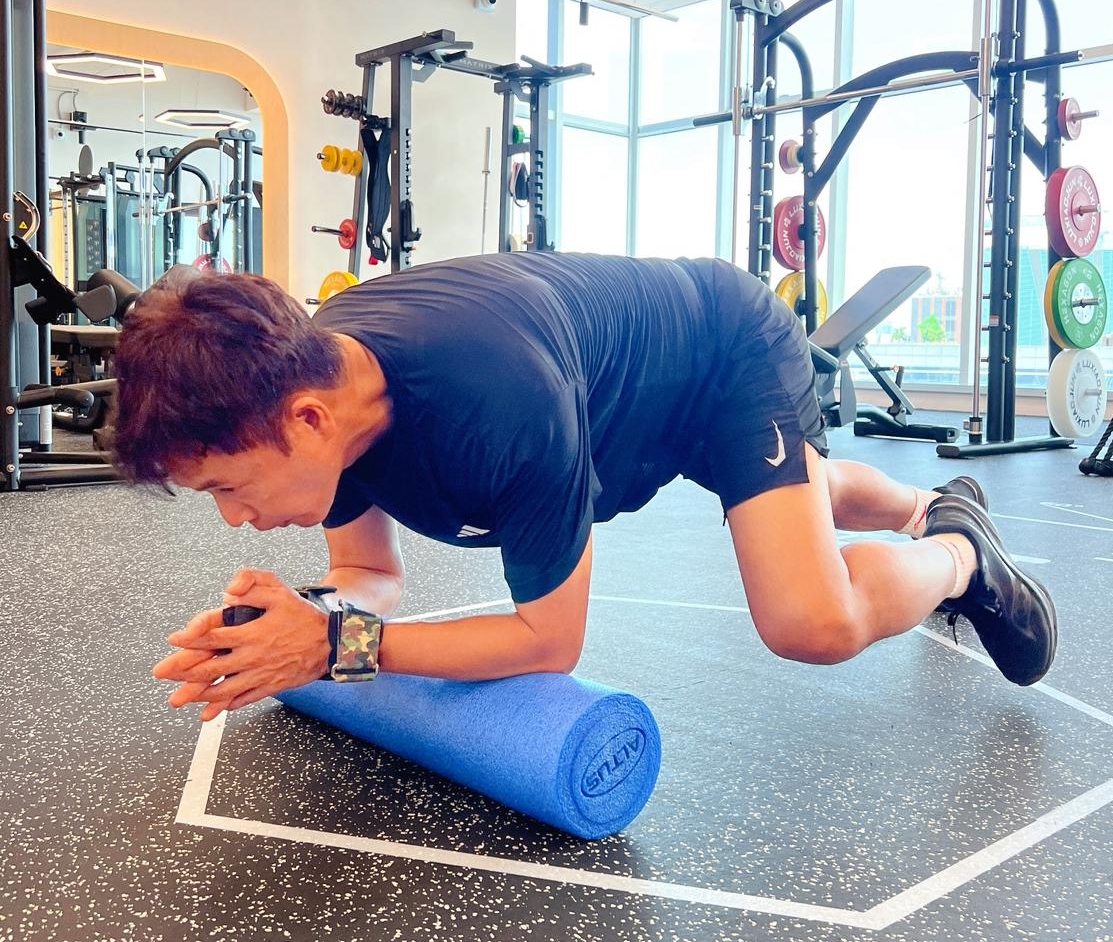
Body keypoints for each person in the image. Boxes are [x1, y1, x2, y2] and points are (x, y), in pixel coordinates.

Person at [110, 254, 1057, 724]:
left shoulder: (496, 405)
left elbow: (547, 641)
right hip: (605, 400)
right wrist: (290, 625)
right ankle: (919, 504)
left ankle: (960, 552)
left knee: (810, 618)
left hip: (720, 353)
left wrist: (336, 650)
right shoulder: (322, 395)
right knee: (793, 490)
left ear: (307, 420)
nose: (235, 519)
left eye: (228, 487)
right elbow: (368, 574)